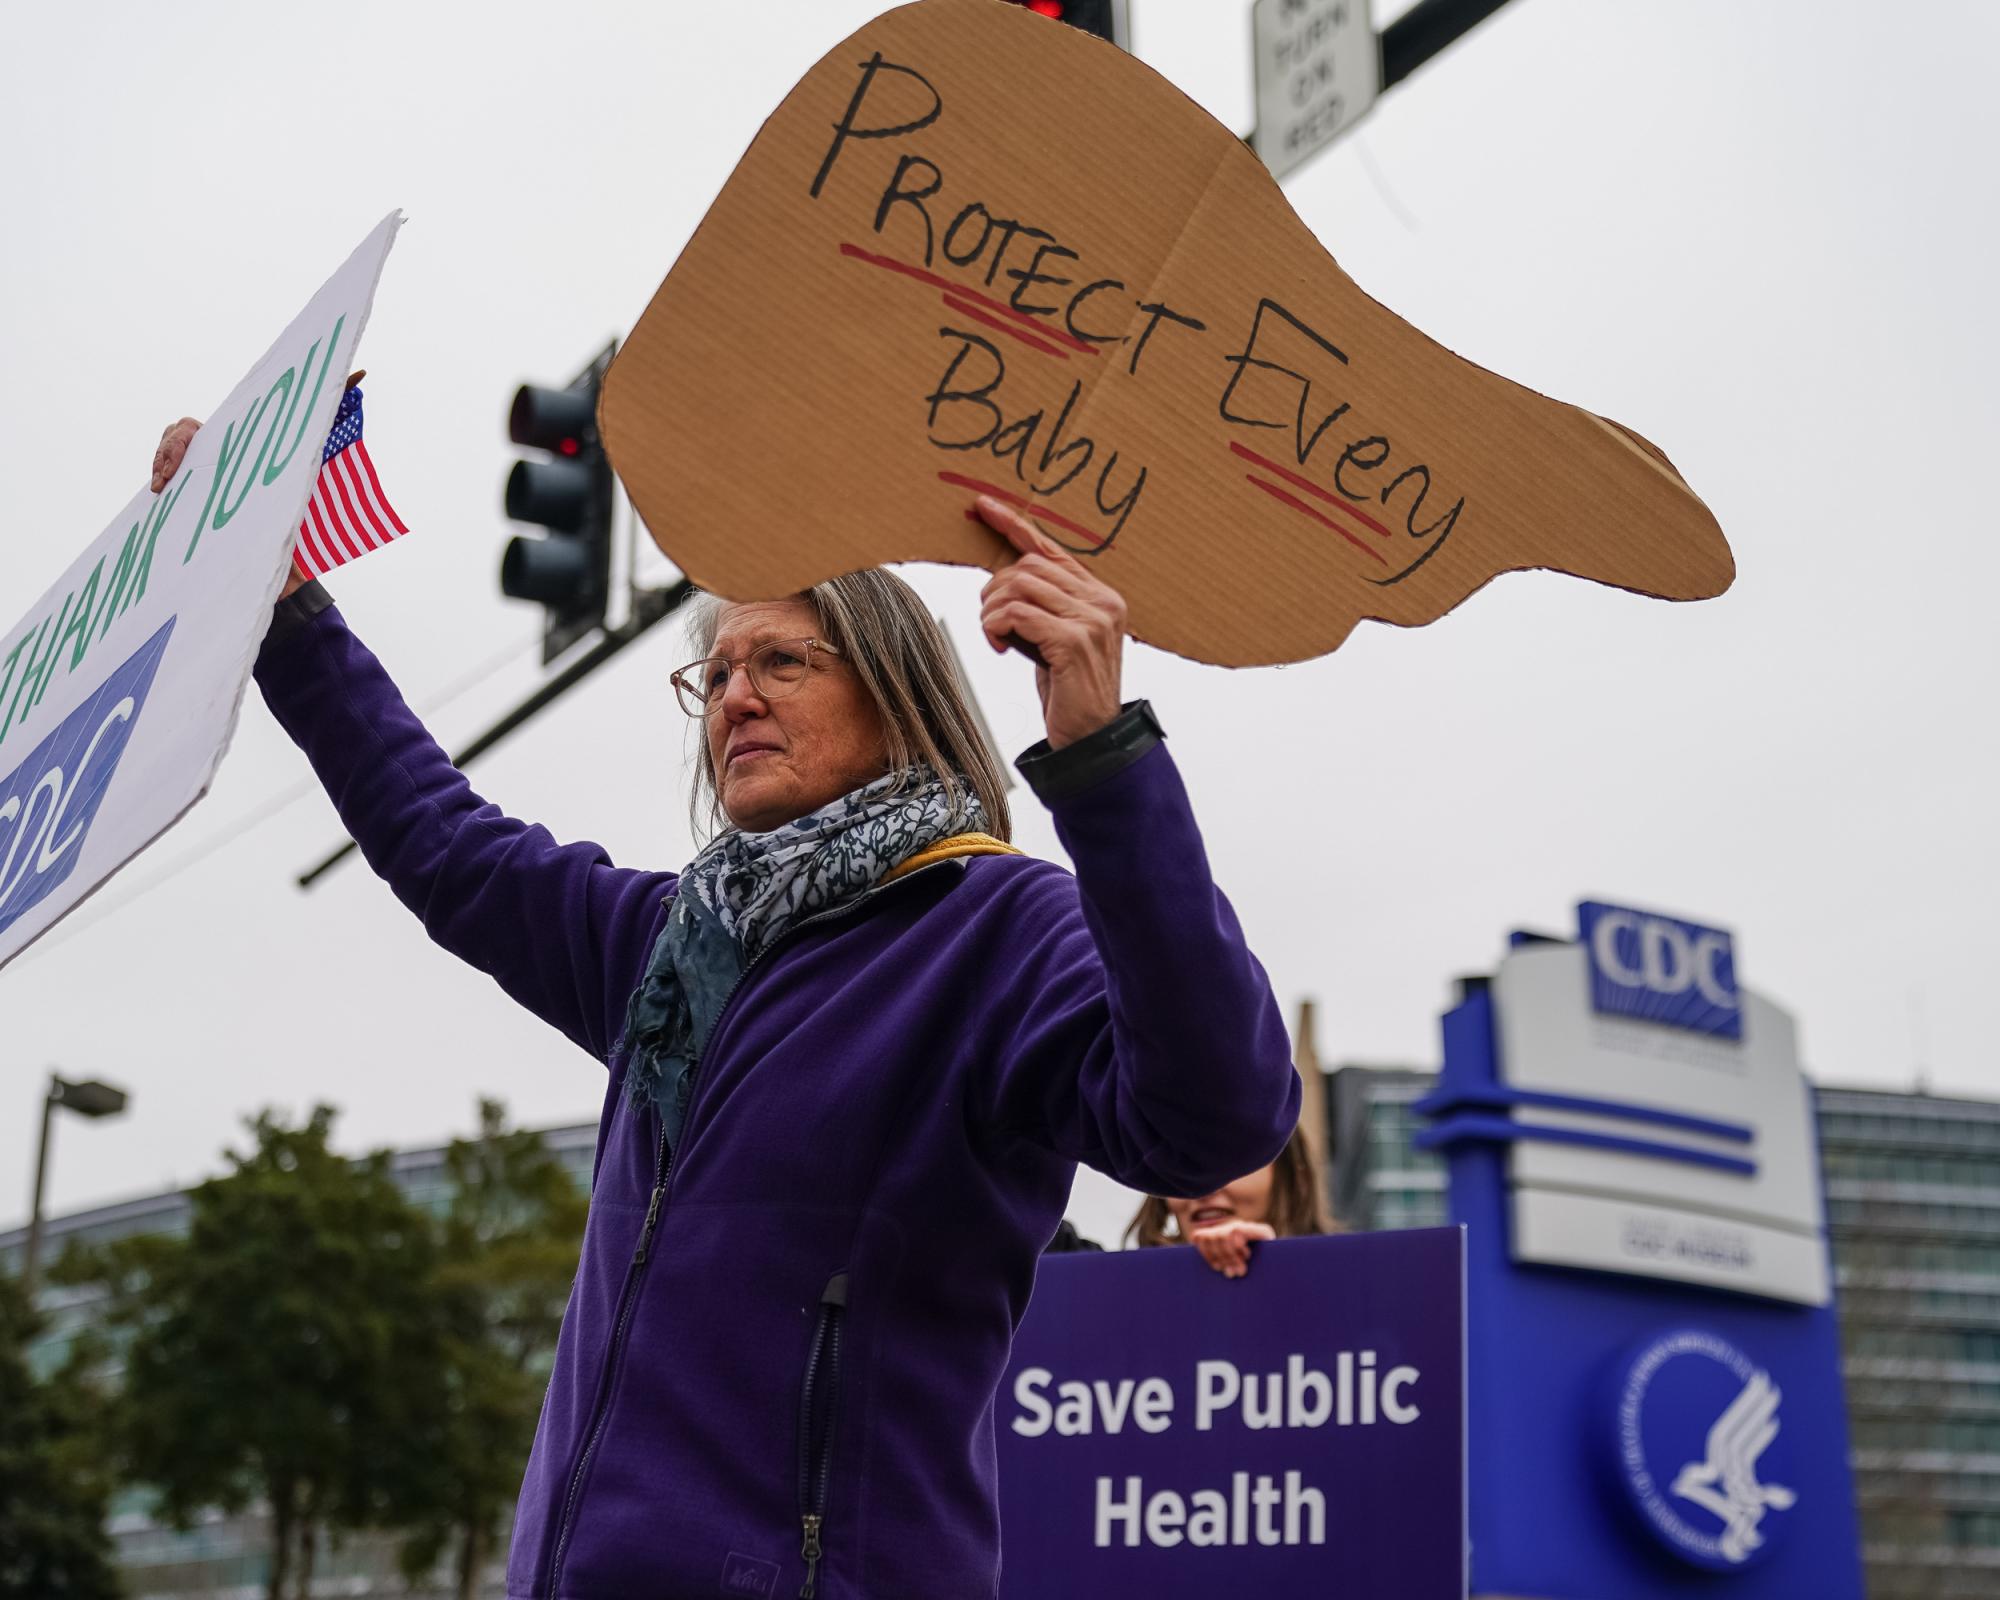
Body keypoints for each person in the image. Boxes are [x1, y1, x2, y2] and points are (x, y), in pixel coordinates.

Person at [149, 417, 1299, 1600]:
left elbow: (1215, 1118)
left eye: (782, 662)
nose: (734, 697)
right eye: (714, 676)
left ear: (896, 694)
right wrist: (282, 606)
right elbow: (443, 841)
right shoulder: (670, 947)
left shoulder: (997, 928)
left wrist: (1104, 761)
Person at [1125, 1121, 1330, 1278]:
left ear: (1296, 1178)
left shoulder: (1340, 1283)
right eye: (1184, 1165)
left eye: (1233, 1163)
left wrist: (1273, 1261)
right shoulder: (1134, 1296)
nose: (1203, 1188)